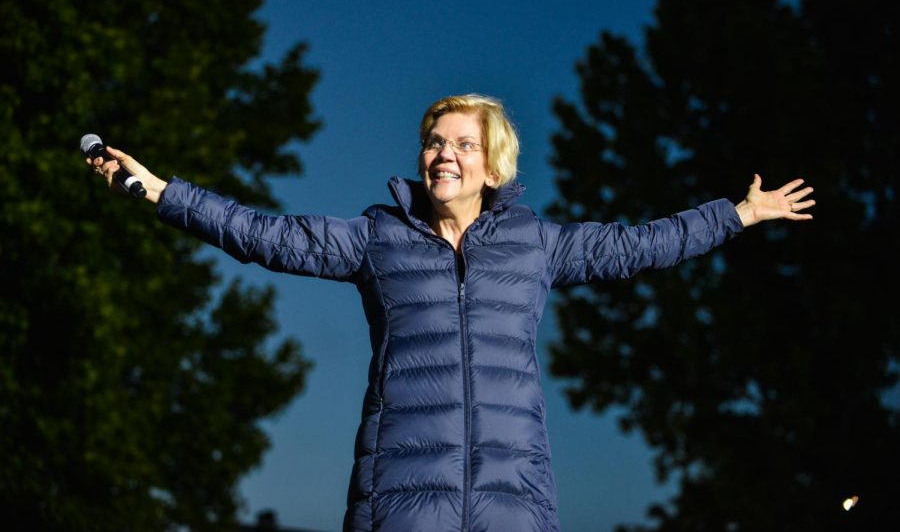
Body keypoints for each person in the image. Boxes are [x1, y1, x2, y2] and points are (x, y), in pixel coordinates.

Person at [87, 94, 814, 532]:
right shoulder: (376, 236)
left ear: (493, 168)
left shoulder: (536, 244)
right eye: (435, 141)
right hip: (400, 502)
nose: (443, 154)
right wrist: (161, 191)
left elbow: (638, 246)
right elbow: (267, 235)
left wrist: (739, 213)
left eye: (463, 144)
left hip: (513, 504)